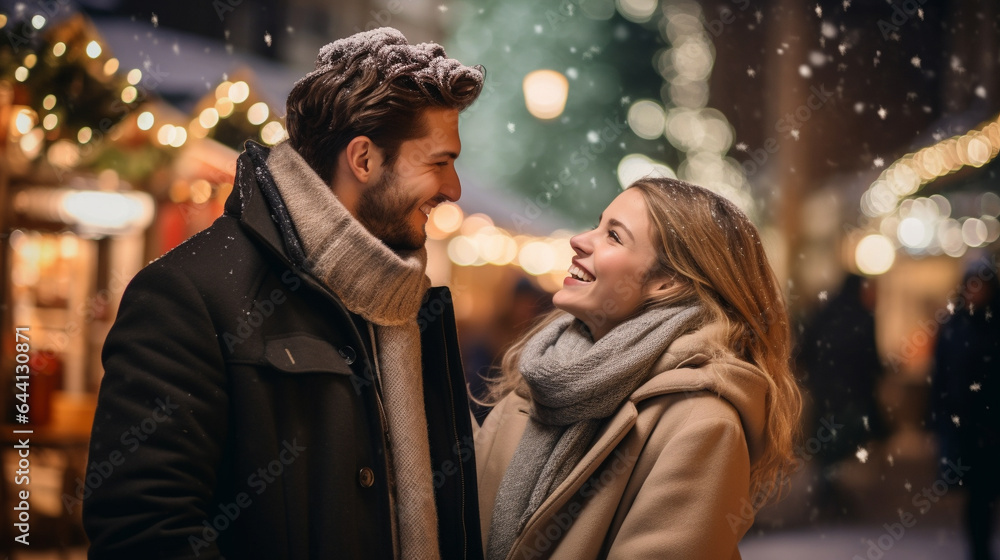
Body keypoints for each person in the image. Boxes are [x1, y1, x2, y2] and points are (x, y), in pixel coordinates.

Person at [83, 28, 485, 559]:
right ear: (363, 159)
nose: (453, 189)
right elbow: (143, 532)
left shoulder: (405, 306)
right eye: (439, 162)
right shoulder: (187, 294)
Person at [474, 178, 802, 560]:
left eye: (613, 236)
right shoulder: (545, 375)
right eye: (598, 225)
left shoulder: (702, 424)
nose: (580, 240)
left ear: (667, 282)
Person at [796, 273, 888, 518]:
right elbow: (871, 359)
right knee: (843, 443)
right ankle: (833, 495)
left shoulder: (824, 314)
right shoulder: (862, 317)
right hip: (852, 396)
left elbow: (804, 351)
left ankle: (828, 494)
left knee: (827, 446)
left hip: (826, 395)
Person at [930, 259, 1000, 560]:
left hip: (992, 422)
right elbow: (942, 376)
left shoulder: (992, 325)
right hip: (966, 424)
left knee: (985, 493)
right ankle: (978, 549)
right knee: (976, 495)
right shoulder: (954, 326)